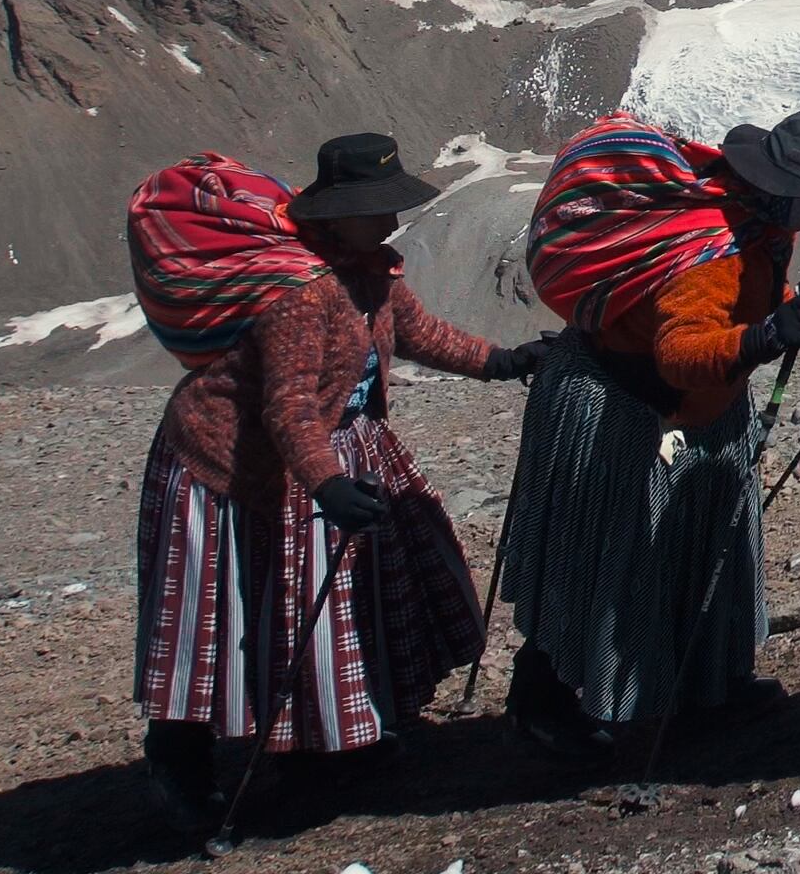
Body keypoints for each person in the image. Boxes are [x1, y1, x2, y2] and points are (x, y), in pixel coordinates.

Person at [131, 133, 542, 839]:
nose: (389, 221)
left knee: (324, 604)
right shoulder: (302, 290)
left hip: (328, 449)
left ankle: (326, 743)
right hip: (230, 467)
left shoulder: (369, 268)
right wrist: (325, 484)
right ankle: (181, 763)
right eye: (375, 209)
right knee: (221, 617)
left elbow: (417, 334)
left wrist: (502, 361)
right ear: (337, 211)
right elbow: (287, 403)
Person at [497, 105, 800, 757]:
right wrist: (761, 339)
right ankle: (546, 701)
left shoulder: (756, 223)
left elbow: (766, 297)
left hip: (685, 408)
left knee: (695, 553)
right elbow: (680, 351)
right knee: (606, 555)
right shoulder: (710, 251)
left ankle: (706, 688)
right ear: (786, 189)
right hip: (628, 403)